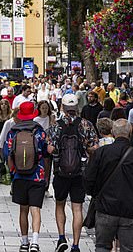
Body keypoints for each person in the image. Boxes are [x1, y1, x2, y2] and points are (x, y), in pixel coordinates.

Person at [84, 119, 133, 252]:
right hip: (131, 210)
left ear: (112, 132)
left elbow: (89, 178)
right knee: (128, 248)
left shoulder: (100, 153)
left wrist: (95, 195)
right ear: (130, 132)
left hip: (106, 209)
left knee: (102, 247)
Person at [47, 93, 98, 252]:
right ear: (77, 108)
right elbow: (95, 148)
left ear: (62, 107)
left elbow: (49, 148)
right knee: (77, 208)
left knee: (60, 204)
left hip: (60, 172)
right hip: (80, 173)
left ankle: (62, 237)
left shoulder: (55, 126)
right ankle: (76, 244)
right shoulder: (86, 125)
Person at [3, 101, 49, 252]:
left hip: (19, 176)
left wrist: (13, 172)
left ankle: (24, 242)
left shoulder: (13, 132)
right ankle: (35, 242)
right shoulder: (39, 131)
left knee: (23, 210)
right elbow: (45, 151)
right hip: (37, 174)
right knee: (35, 209)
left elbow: (8, 154)